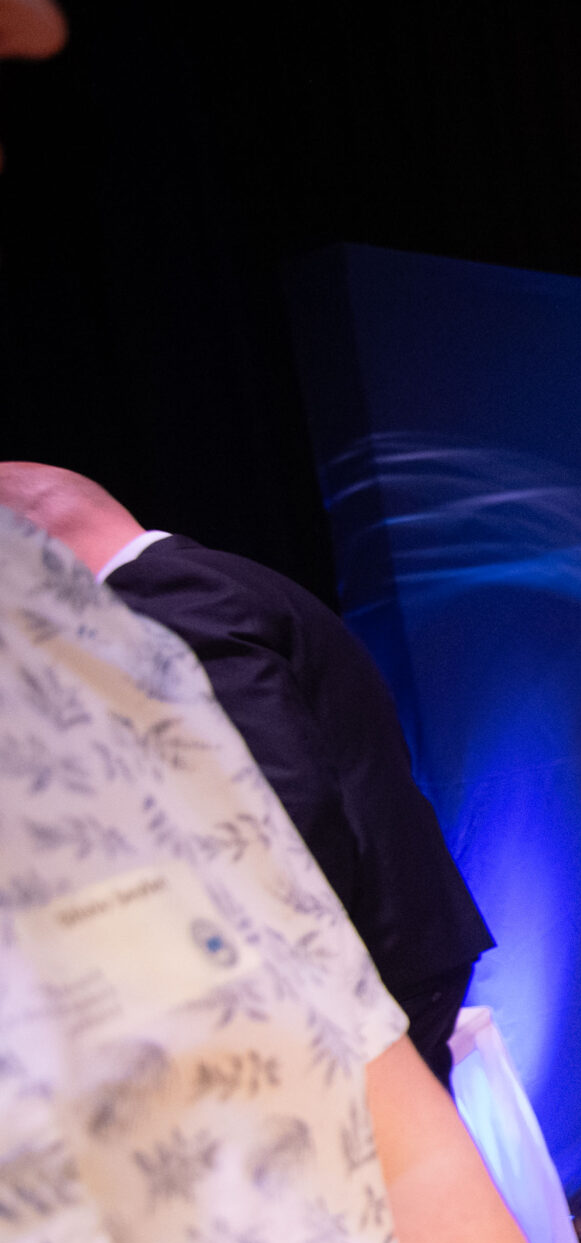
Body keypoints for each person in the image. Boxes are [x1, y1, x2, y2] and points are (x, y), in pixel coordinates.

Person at [0, 505, 581, 1243]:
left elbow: (286, 817)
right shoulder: (224, 583)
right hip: (395, 955)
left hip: (368, 977)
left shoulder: (162, 615)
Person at [0, 464, 496, 1084]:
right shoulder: (209, 580)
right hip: (387, 948)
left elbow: (278, 804)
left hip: (344, 976)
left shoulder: (158, 601)